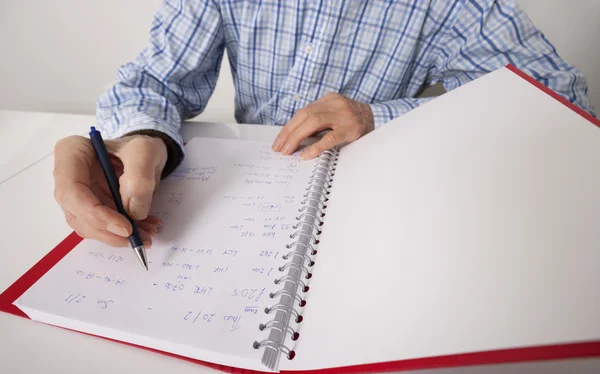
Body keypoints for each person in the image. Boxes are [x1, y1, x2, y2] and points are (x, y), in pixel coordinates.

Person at [53, 0, 596, 248]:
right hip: (245, 198)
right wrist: (145, 138)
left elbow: (563, 100)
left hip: (387, 213)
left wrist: (378, 117)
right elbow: (151, 81)